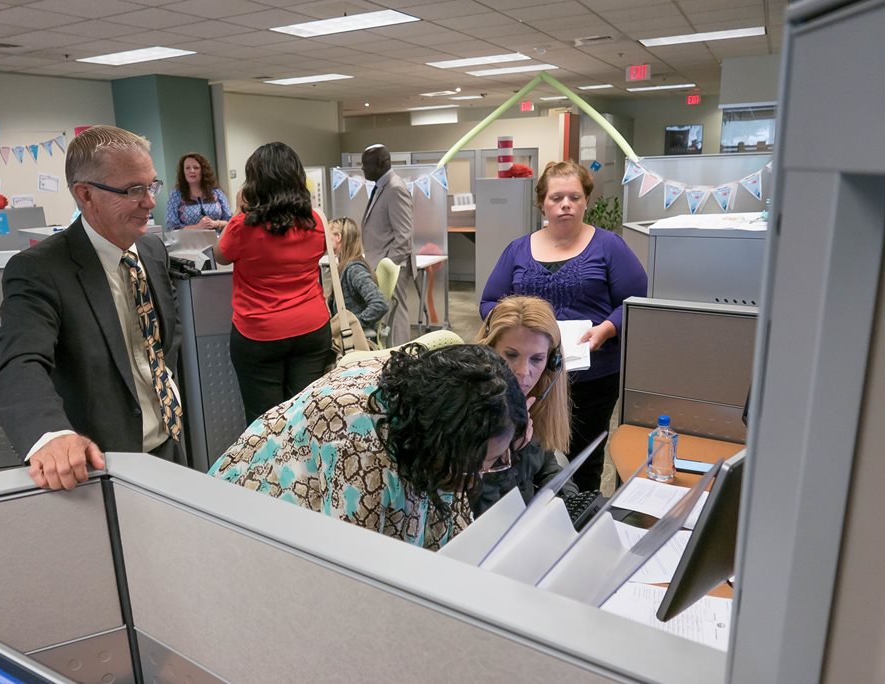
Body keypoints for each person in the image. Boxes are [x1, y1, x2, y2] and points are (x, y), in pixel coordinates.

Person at [0, 125, 182, 491]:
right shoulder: (41, 269)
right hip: (105, 463)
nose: (150, 202)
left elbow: (163, 339)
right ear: (86, 194)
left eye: (152, 186)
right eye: (133, 190)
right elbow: (19, 364)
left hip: (169, 442)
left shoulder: (153, 251)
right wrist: (50, 434)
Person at [209, 343, 528, 550]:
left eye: (495, 460)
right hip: (242, 533)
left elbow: (453, 535)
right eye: (476, 465)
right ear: (442, 443)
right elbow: (359, 579)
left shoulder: (441, 411)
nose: (478, 478)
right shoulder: (362, 446)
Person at [480, 161, 647, 491]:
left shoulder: (609, 246)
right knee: (527, 450)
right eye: (557, 197)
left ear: (586, 200)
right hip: (529, 376)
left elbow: (637, 303)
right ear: (542, 202)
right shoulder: (518, 249)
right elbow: (488, 304)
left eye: (574, 196)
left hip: (592, 374)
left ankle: (581, 513)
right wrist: (516, 325)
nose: (566, 204)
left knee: (585, 456)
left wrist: (608, 329)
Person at [213, 141, 330, 423]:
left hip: (259, 333)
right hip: (311, 329)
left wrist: (239, 210)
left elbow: (220, 256)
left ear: (255, 183)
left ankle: (272, 468)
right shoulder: (316, 222)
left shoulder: (242, 226)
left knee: (265, 423)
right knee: (304, 415)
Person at [474, 295, 576, 516]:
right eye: (511, 355)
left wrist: (570, 506)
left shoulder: (536, 398)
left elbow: (547, 467)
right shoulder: (471, 411)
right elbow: (484, 511)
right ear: (488, 352)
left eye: (537, 359)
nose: (523, 372)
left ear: (552, 362)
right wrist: (507, 452)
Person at [360, 144, 414, 345]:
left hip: (392, 266)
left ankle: (401, 356)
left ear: (382, 163)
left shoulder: (394, 188)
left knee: (396, 313)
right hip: (382, 263)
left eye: (366, 164)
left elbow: (404, 236)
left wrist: (388, 267)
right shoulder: (383, 186)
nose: (363, 169)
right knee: (389, 312)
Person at [327, 216, 388, 342]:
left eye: (327, 236)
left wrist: (353, 324)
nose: (324, 241)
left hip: (353, 339)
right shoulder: (346, 266)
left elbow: (380, 304)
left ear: (338, 237)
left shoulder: (354, 269)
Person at [165, 152, 231, 232]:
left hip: (218, 241)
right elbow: (172, 228)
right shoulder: (175, 195)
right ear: (183, 172)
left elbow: (230, 221)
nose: (192, 171)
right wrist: (198, 227)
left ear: (203, 171)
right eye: (187, 168)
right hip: (189, 243)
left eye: (196, 167)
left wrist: (216, 223)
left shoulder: (217, 192)